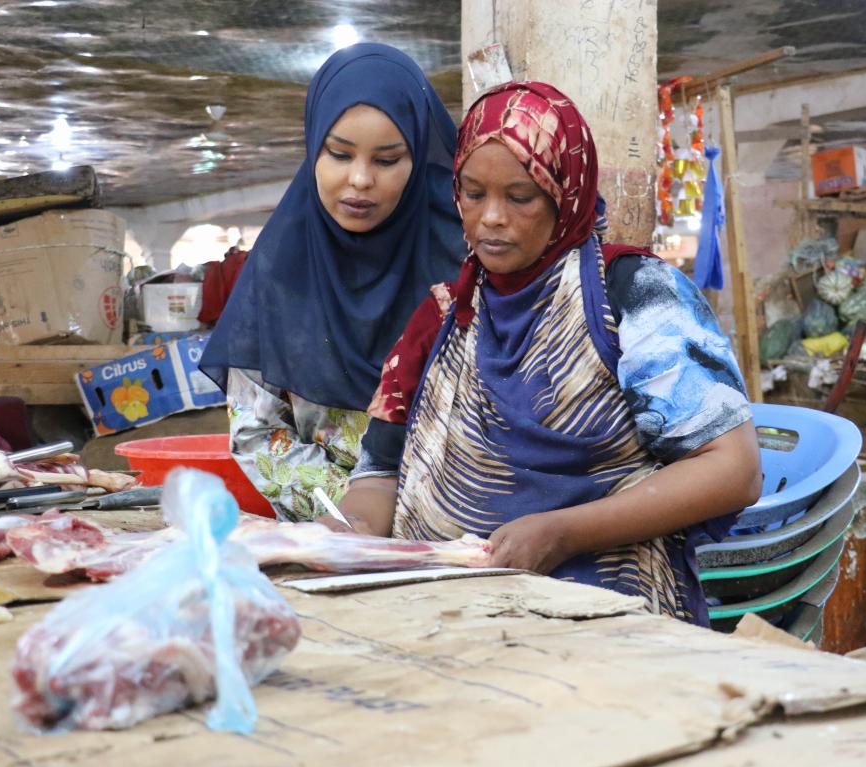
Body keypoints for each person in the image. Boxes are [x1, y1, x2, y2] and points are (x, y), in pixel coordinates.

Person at [337, 82, 762, 626]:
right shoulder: (444, 317)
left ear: (566, 194)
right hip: (441, 614)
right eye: (472, 193)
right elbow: (378, 474)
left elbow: (734, 469)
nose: (490, 217)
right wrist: (348, 534)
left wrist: (562, 533)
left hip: (609, 617)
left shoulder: (633, 295)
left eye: (520, 197)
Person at [199, 44, 465, 520]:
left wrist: (432, 508)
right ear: (313, 147)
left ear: (419, 154)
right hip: (332, 527)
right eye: (339, 154)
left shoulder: (466, 259)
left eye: (387, 160)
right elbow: (256, 433)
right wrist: (359, 512)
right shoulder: (281, 268)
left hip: (465, 521)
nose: (360, 179)